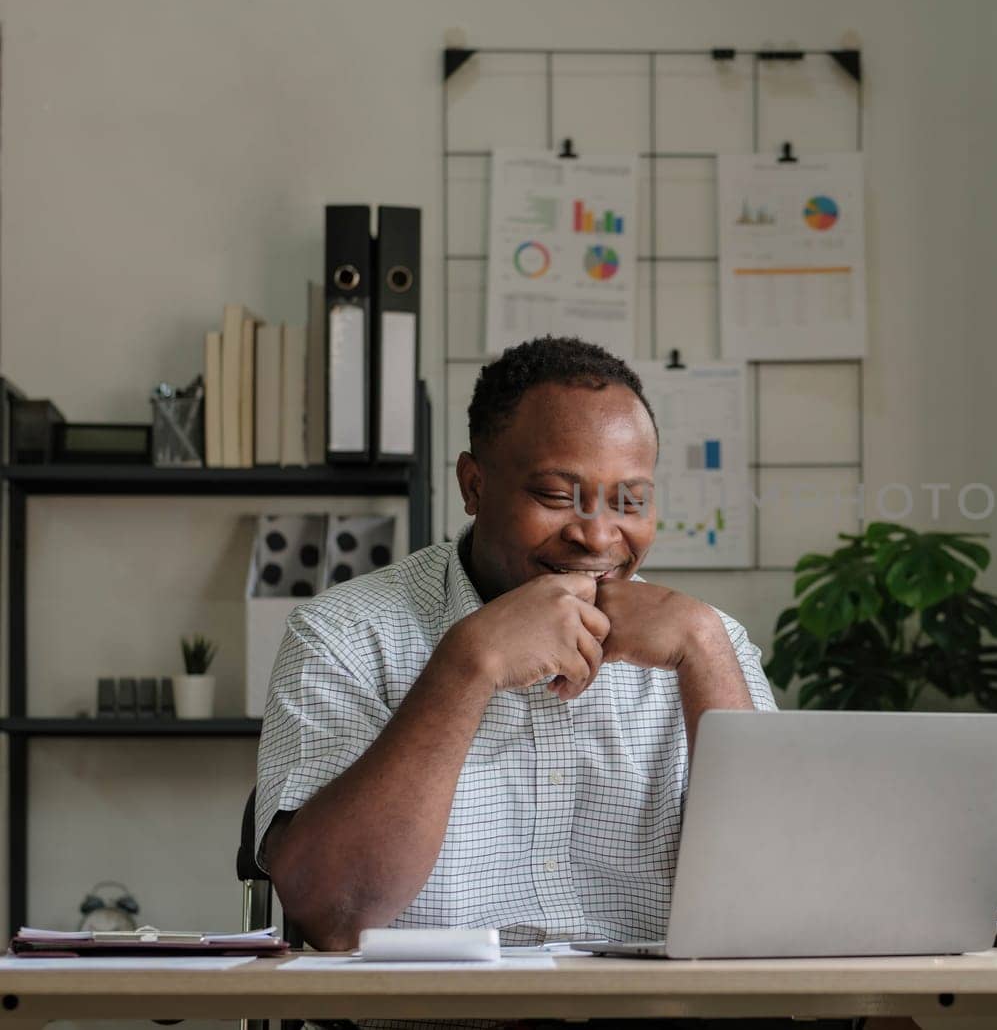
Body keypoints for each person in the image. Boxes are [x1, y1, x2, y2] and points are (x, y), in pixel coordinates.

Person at [254, 336, 776, 952]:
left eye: (630, 500)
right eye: (557, 496)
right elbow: (333, 913)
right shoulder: (344, 634)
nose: (598, 535)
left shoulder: (706, 640)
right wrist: (468, 663)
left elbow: (775, 902)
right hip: (429, 1026)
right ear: (473, 486)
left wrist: (704, 652)